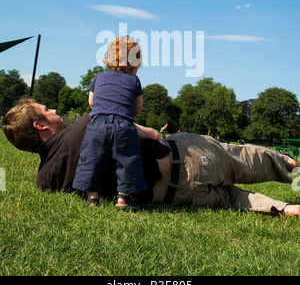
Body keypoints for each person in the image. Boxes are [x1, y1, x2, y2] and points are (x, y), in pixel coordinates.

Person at [2, 98, 300, 217]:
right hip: (189, 157)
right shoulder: (86, 125)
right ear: (40, 126)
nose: (54, 111)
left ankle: (286, 209)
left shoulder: (46, 180)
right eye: (47, 111)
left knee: (233, 198)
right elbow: (150, 134)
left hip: (179, 197)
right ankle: (290, 163)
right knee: (240, 156)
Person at [72, 36, 157, 209]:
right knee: (127, 160)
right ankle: (123, 197)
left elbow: (91, 102)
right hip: (124, 125)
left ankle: (92, 198)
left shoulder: (99, 77)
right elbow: (138, 106)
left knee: (91, 158)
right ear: (135, 63)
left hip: (97, 124)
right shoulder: (134, 80)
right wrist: (126, 114)